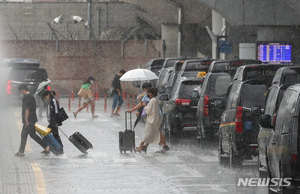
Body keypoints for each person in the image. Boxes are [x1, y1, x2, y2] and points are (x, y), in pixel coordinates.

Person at [15, 84, 50, 157]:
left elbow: (27, 109)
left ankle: (21, 152)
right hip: (32, 118)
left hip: (29, 119)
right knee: (32, 135)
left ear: (23, 90)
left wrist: (26, 120)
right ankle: (46, 147)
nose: (21, 92)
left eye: (21, 91)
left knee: (24, 135)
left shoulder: (26, 97)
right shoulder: (31, 96)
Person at [134, 87, 168, 153]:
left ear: (150, 93)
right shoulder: (154, 100)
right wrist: (143, 103)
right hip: (155, 120)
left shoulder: (152, 101)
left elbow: (148, 110)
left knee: (146, 134)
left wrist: (145, 107)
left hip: (151, 121)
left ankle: (141, 148)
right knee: (156, 134)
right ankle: (164, 147)